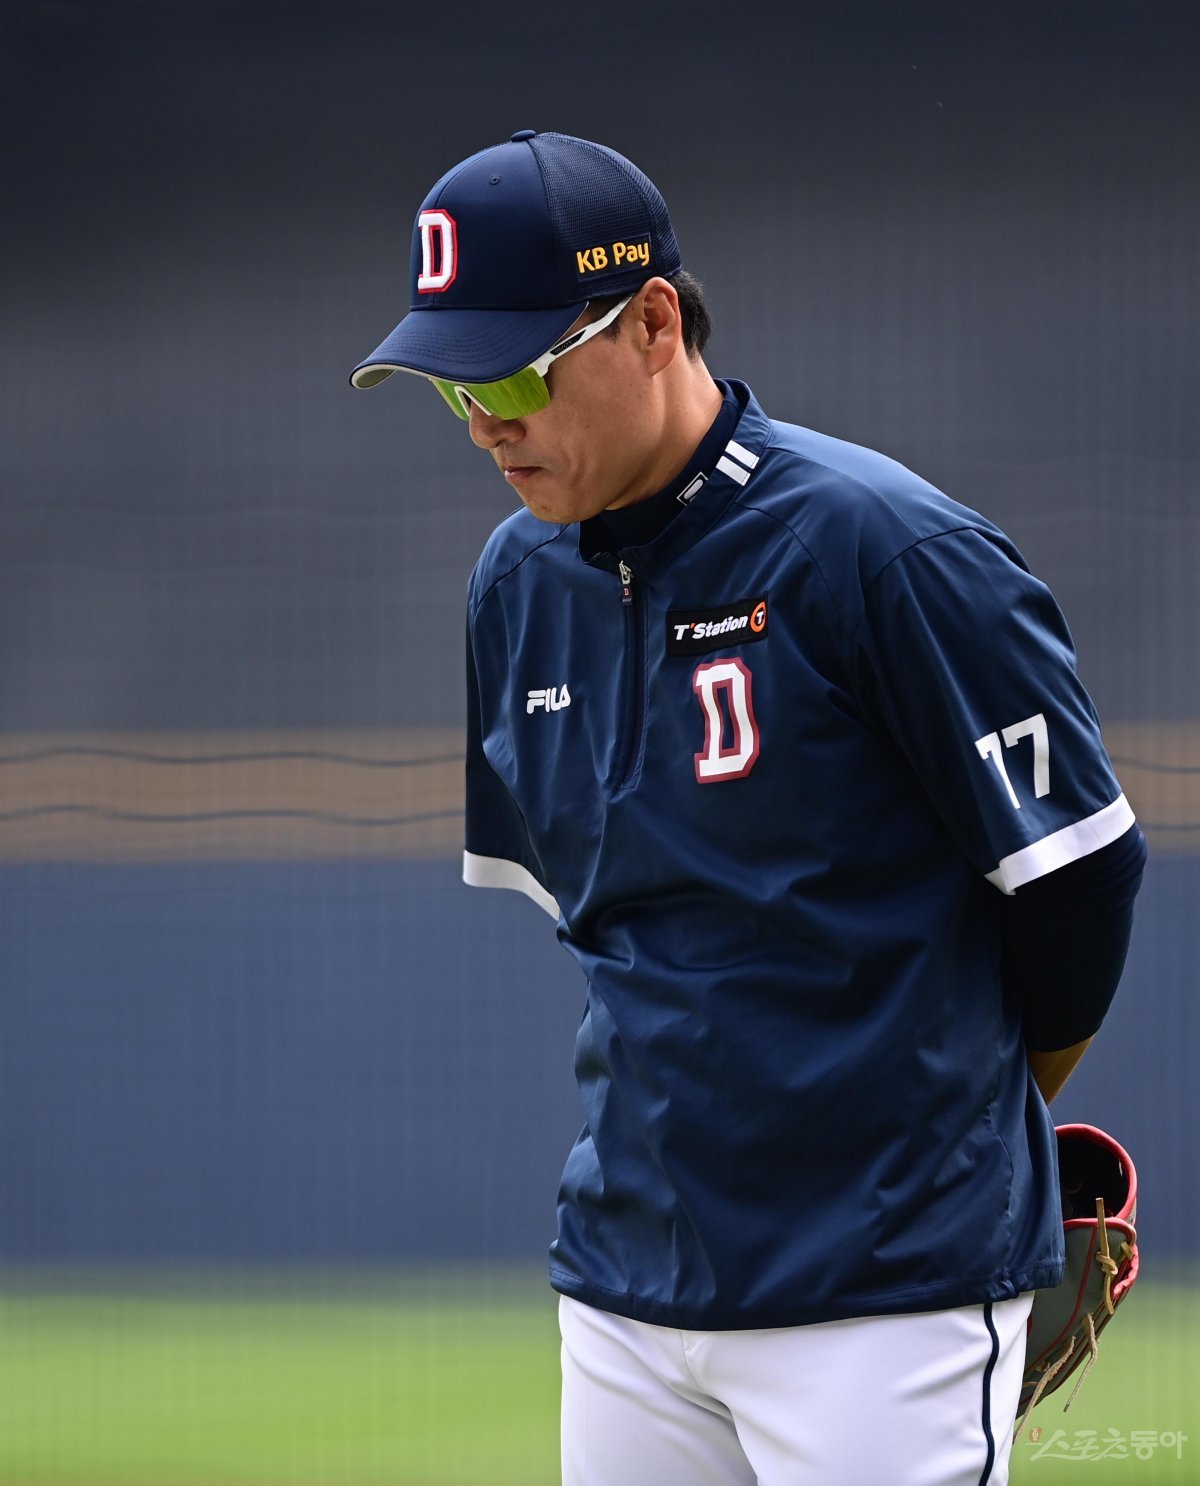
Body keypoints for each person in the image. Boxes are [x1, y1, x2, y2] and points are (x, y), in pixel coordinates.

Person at [350, 131, 1146, 1485]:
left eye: (517, 373)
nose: (486, 422)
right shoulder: (514, 589)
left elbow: (1076, 878)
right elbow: (613, 931)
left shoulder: (885, 550)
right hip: (627, 1286)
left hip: (884, 1291)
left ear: (654, 322)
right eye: (453, 388)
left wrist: (960, 1129)